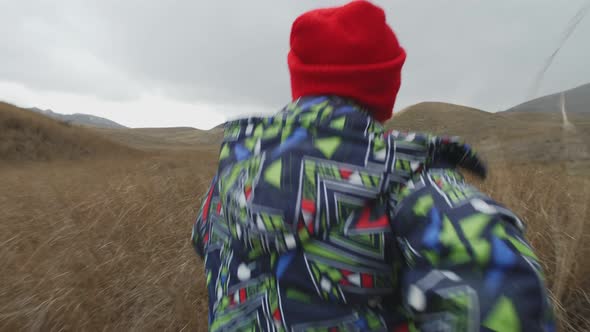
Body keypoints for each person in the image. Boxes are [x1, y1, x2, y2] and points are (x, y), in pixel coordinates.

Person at [191, 1, 554, 331]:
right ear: (386, 86)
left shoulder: (227, 182)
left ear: (299, 81)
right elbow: (508, 305)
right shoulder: (415, 184)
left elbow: (205, 246)